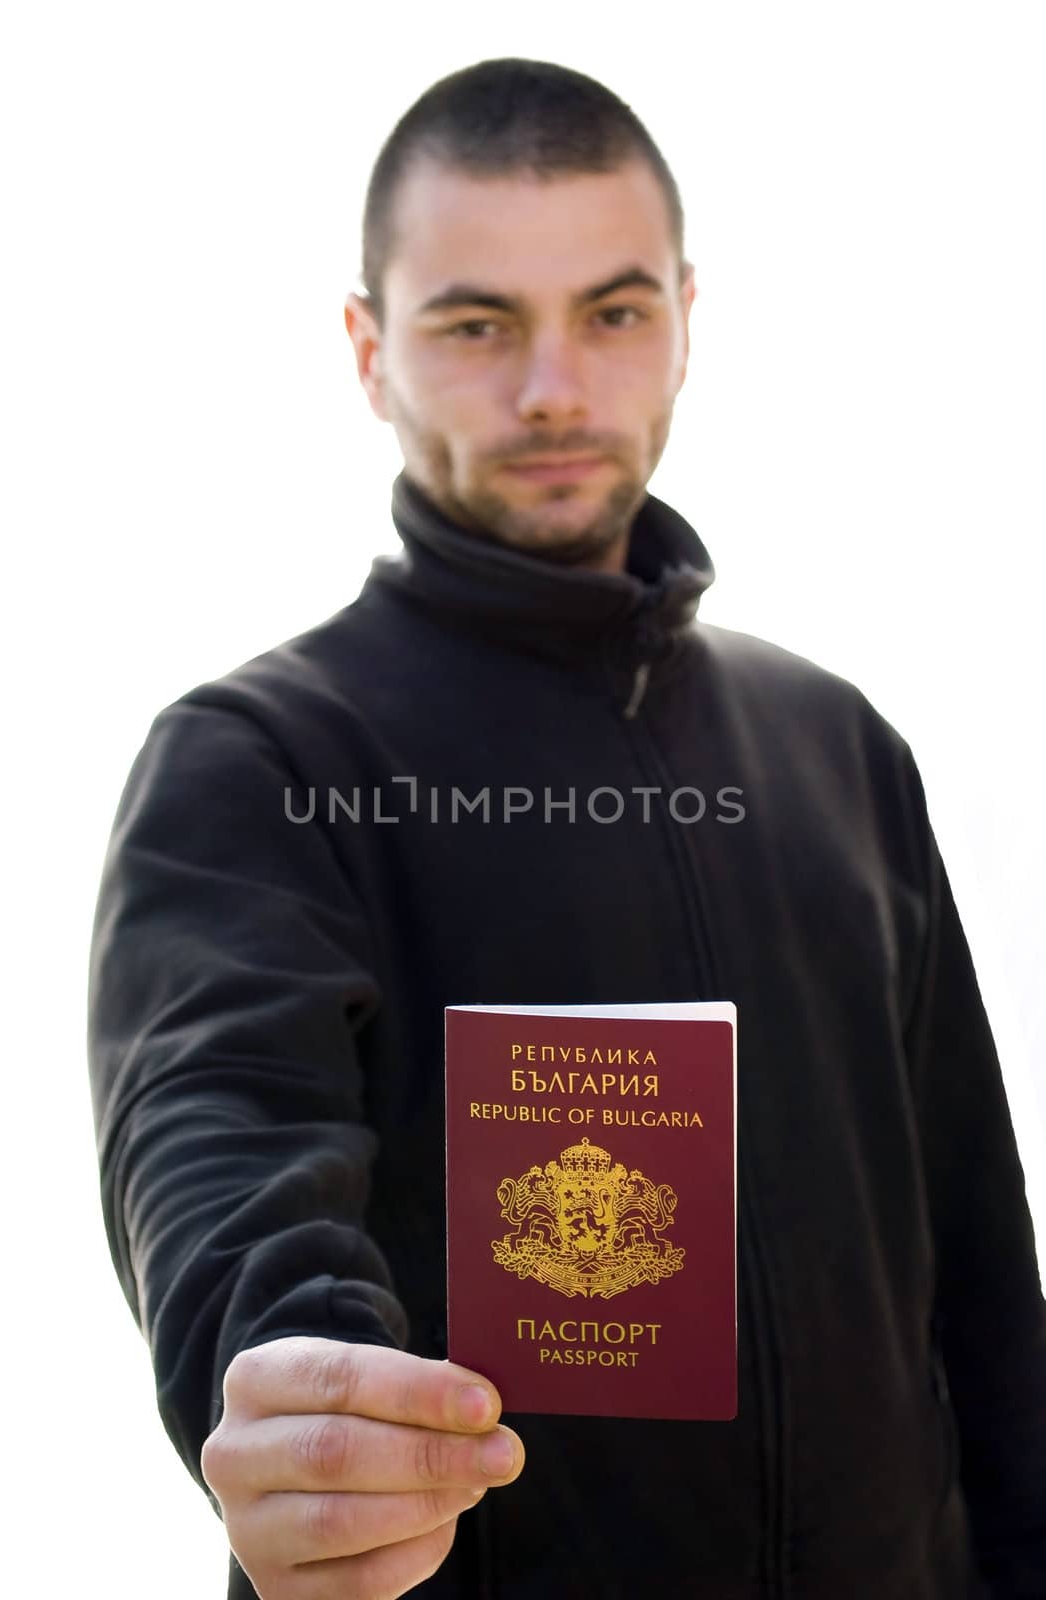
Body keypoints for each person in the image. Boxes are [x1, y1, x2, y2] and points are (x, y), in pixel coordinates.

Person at [87, 56, 1045, 1600]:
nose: (554, 389)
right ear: (368, 349)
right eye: (476, 325)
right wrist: (281, 1387)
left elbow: (980, 1282)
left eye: (613, 313)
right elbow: (219, 1136)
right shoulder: (257, 761)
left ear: (684, 318)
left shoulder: (835, 744)